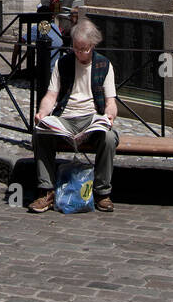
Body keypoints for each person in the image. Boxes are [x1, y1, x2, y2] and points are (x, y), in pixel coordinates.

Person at [30, 17, 118, 214]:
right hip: (66, 118)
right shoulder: (63, 63)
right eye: (76, 48)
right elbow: (51, 96)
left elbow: (111, 102)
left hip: (91, 118)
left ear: (93, 45)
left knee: (109, 138)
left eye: (84, 49)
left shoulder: (104, 65)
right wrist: (42, 113)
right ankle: (46, 191)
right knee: (40, 133)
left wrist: (109, 116)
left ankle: (102, 192)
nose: (80, 53)